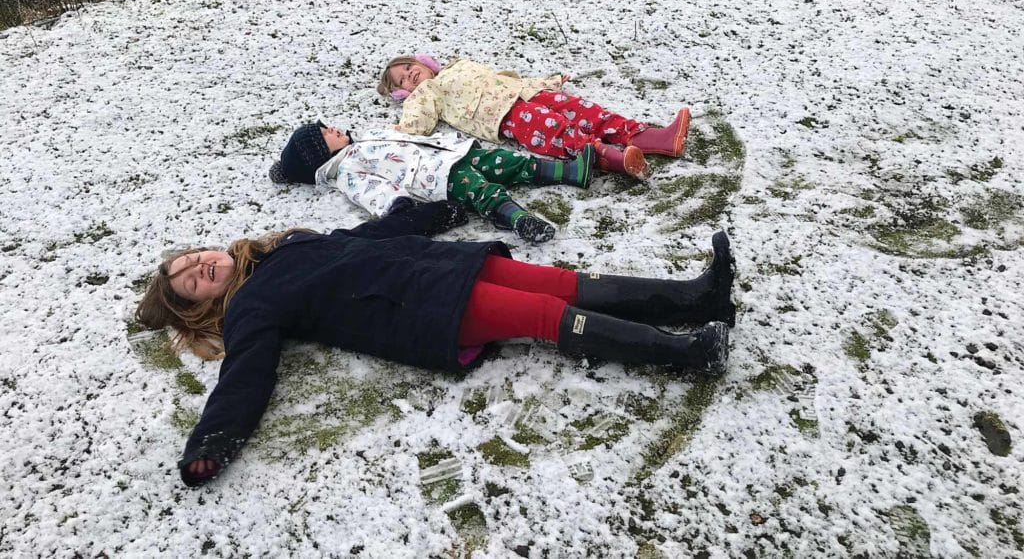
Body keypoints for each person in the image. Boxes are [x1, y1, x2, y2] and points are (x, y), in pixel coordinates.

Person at [134, 200, 737, 487]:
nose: (200, 267)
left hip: (437, 266)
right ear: (199, 306)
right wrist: (211, 440)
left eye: (194, 258)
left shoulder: (282, 248)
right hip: (420, 307)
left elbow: (365, 235)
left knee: (565, 283)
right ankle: (688, 353)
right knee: (547, 314)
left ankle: (698, 297)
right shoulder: (251, 307)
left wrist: (422, 214)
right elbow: (245, 373)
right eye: (190, 282)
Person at [268, 120, 597, 244]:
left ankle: (570, 172)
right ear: (320, 155)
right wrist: (398, 205)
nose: (332, 129)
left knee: (510, 162)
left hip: (454, 153)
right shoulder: (347, 172)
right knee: (482, 190)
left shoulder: (364, 138)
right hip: (435, 178)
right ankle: (518, 219)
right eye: (325, 135)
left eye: (327, 126)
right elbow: (372, 192)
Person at [376, 55, 692, 180]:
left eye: (408, 67)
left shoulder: (457, 66)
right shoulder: (425, 92)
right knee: (556, 130)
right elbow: (417, 121)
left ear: (424, 62)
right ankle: (610, 157)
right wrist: (400, 128)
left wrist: (546, 83)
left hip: (524, 92)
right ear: (403, 93)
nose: (409, 75)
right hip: (501, 114)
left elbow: (499, 78)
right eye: (402, 80)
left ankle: (651, 137)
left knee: (582, 109)